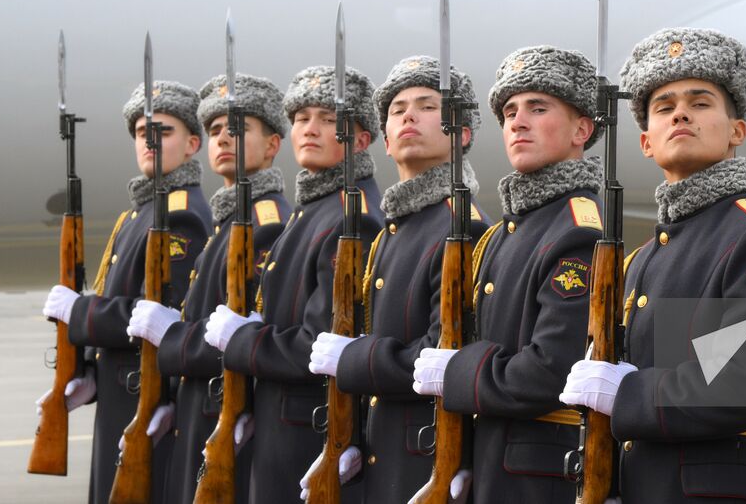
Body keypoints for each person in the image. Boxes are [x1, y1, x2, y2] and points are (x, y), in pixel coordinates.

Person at [561, 28, 746, 503]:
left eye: (701, 101)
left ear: (737, 131)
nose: (681, 113)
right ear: (647, 142)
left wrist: (625, 396)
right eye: (664, 105)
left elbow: (742, 376)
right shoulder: (643, 257)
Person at [414, 46, 604, 503]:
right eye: (509, 112)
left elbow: (548, 371)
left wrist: (457, 371)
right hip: (491, 470)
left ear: (582, 129)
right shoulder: (505, 232)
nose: (518, 122)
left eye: (538, 108)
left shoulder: (578, 231)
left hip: (536, 479)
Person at [304, 56, 486, 503]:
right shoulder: (393, 229)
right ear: (384, 140)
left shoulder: (461, 227)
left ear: (461, 135)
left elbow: (441, 355)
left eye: (427, 106)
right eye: (398, 108)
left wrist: (354, 358)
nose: (409, 114)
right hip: (380, 455)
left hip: (421, 454)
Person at [203, 65, 383, 503]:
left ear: (360, 139)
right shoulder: (316, 209)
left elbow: (318, 345)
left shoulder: (350, 215)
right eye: (302, 118)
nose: (310, 129)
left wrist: (242, 341)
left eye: (327, 119)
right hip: (282, 425)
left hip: (310, 429)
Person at [124, 73, 291, 503]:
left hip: (223, 409)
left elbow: (251, 336)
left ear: (272, 145)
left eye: (238, 129)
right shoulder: (228, 221)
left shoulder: (266, 223)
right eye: (215, 129)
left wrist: (171, 338)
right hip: (199, 409)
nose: (223, 138)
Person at [41, 80, 212, 503]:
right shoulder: (141, 212)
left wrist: (81, 313)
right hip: (121, 395)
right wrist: (91, 375)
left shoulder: (182, 215)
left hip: (148, 401)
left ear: (192, 144)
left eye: (164, 132)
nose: (149, 141)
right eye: (141, 133)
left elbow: (157, 317)